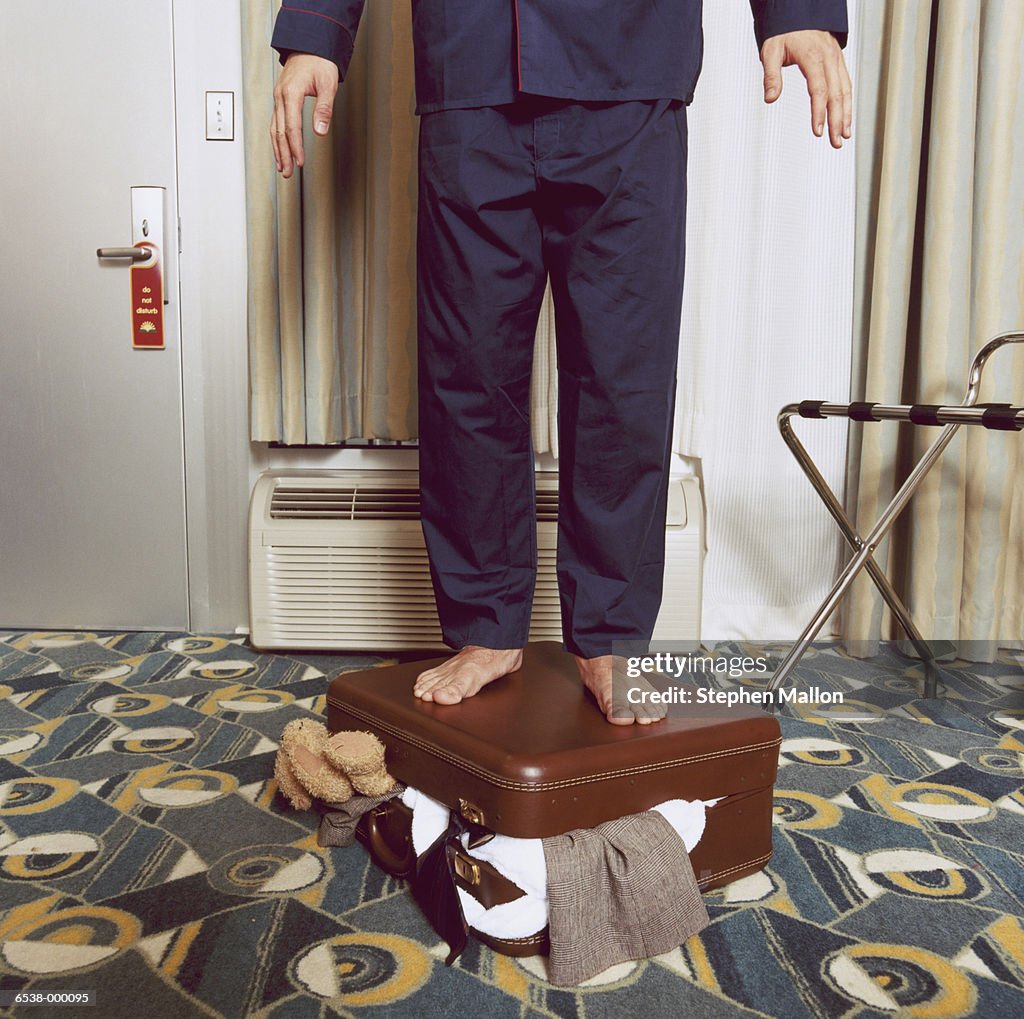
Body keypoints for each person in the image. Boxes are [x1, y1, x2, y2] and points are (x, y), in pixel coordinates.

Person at [269, 1, 852, 725]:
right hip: (472, 68)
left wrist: (796, 10)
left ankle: (609, 637)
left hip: (630, 68)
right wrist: (317, 32)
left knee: (622, 374)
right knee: (468, 371)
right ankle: (486, 628)